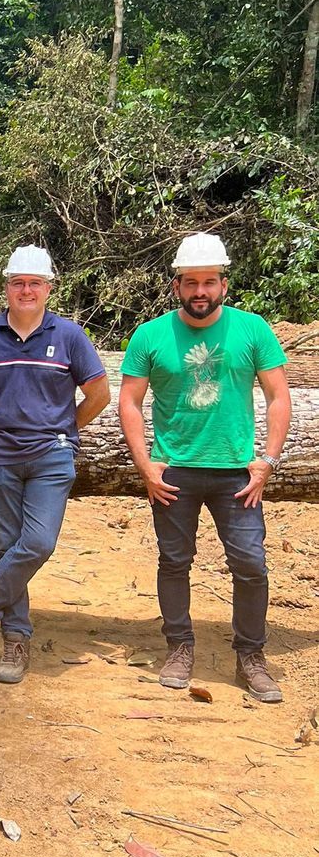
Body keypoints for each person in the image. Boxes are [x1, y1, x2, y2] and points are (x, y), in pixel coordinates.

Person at [118, 232, 291, 703]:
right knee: (175, 561)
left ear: (223, 284)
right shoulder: (150, 335)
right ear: (177, 285)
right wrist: (145, 465)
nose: (200, 291)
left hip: (238, 473)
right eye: (191, 282)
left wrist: (267, 461)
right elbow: (129, 401)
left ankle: (251, 656)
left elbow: (278, 396)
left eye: (209, 282)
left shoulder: (252, 329)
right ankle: (179, 647)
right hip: (174, 472)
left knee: (250, 564)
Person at [0, 245, 110, 684]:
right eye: (18, 283)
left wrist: (63, 428)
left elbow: (99, 394)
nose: (26, 290)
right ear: (7, 288)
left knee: (37, 543)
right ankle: (15, 638)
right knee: (7, 547)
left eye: (35, 283)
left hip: (51, 457)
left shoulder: (69, 336)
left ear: (48, 288)